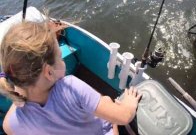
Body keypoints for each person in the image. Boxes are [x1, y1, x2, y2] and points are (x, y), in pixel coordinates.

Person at [0, 21, 141, 135]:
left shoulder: (12, 123)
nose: (62, 62)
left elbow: (9, 124)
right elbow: (124, 117)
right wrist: (130, 102)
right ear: (49, 73)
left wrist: (20, 92)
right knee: (107, 100)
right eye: (60, 58)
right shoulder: (70, 87)